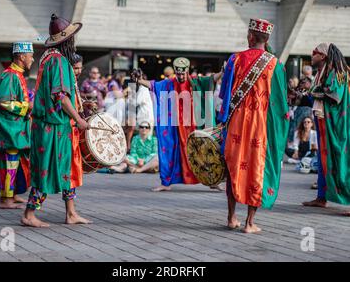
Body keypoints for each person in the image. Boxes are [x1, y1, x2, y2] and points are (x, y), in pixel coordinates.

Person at [218, 19, 289, 233]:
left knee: (233, 167)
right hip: (261, 126)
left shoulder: (234, 59)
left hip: (236, 123)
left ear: (250, 36)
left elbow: (224, 94)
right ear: (266, 40)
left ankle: (231, 218)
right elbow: (280, 104)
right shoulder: (275, 64)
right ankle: (249, 223)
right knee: (257, 169)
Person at [21, 14, 91, 228]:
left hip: (56, 126)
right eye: (72, 38)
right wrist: (79, 119)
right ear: (66, 41)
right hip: (53, 127)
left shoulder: (48, 58)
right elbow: (60, 96)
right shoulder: (59, 61)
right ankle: (29, 214)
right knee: (48, 168)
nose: (74, 41)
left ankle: (71, 213)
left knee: (67, 168)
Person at [132, 57, 223, 192]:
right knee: (169, 150)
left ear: (187, 71)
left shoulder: (195, 82)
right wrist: (138, 80)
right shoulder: (169, 84)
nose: (180, 76)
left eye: (183, 73)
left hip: (193, 126)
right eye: (178, 73)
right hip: (175, 127)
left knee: (203, 152)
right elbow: (153, 85)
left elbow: (210, 80)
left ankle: (212, 181)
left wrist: (222, 72)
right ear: (175, 72)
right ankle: (166, 183)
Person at [301, 43, 350, 214]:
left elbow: (334, 97)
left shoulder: (338, 72)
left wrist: (312, 92)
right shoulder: (321, 73)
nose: (312, 55)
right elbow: (317, 96)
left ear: (322, 55)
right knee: (323, 162)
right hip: (323, 121)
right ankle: (322, 197)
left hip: (337, 126)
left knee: (341, 161)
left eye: (314, 53)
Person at [0, 42, 34, 209]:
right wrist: (26, 107)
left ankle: (11, 195)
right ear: (22, 56)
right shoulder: (9, 75)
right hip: (9, 129)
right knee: (9, 162)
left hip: (15, 129)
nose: (32, 59)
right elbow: (4, 102)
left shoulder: (17, 74)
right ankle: (5, 200)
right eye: (30, 56)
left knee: (15, 162)